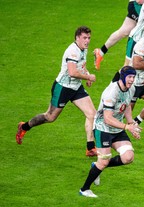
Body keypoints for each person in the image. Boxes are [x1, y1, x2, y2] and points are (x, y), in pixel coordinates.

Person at [16, 26, 98, 157]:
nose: (87, 41)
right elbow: (72, 72)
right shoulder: (72, 52)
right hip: (63, 88)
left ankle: (90, 148)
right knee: (50, 117)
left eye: (88, 38)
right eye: (84, 38)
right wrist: (88, 77)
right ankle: (24, 126)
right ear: (77, 38)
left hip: (76, 88)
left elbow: (81, 65)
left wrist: (86, 73)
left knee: (92, 114)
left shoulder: (83, 49)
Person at [79, 66, 142, 198]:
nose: (131, 80)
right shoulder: (111, 92)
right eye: (129, 77)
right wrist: (126, 127)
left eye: (133, 77)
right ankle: (84, 189)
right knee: (104, 161)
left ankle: (97, 167)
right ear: (123, 77)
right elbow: (107, 118)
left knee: (128, 157)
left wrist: (131, 124)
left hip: (117, 128)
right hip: (103, 128)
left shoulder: (132, 89)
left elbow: (127, 107)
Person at [93, 0, 144, 70]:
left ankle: (100, 52)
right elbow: (139, 1)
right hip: (137, 5)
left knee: (123, 32)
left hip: (138, 5)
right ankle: (131, 64)